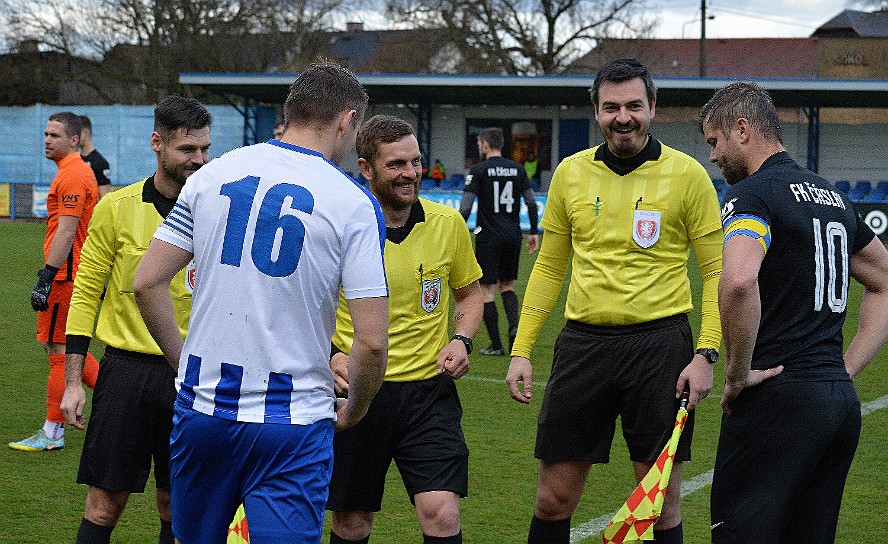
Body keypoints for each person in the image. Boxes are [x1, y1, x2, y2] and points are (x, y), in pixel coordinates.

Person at [133, 61, 389, 544]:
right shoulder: (353, 203)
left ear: (290, 112)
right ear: (345, 120)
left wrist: (184, 363)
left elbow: (147, 282)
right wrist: (355, 408)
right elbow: (372, 343)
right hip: (291, 424)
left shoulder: (213, 175)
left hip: (203, 411)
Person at [505, 58, 724, 544]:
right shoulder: (569, 173)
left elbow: (716, 272)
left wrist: (706, 352)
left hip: (660, 345)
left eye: (633, 106)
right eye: (611, 108)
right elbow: (548, 267)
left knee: (659, 502)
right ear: (597, 113)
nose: (622, 117)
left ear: (652, 109)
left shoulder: (688, 176)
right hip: (583, 345)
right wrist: (522, 349)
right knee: (552, 498)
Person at [702, 81, 888, 543]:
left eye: (715, 141)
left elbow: (740, 282)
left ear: (742, 130)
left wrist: (736, 375)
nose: (713, 156)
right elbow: (885, 280)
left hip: (778, 399)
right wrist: (842, 370)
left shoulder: (751, 195)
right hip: (837, 406)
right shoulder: (832, 196)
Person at [60, 96, 212, 544]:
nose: (199, 160)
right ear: (157, 143)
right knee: (105, 504)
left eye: (205, 149)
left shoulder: (219, 212)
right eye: (187, 150)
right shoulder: (116, 208)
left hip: (194, 374)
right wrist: (72, 382)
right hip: (126, 374)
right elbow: (86, 296)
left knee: (178, 504)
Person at [327, 115, 484, 544]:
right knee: (352, 523)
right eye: (396, 164)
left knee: (442, 514)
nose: (411, 173)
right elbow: (303, 308)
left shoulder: (447, 224)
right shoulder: (340, 227)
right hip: (357, 391)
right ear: (366, 168)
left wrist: (461, 339)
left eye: (415, 162)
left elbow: (470, 296)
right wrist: (331, 356)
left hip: (428, 394)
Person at [9, 112, 100, 452]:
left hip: (66, 276)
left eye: (55, 135)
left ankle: (52, 434)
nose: (47, 140)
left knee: (58, 350)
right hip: (68, 273)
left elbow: (66, 229)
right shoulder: (71, 172)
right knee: (65, 347)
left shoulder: (74, 175)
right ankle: (120, 399)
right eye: (45, 134)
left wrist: (47, 275)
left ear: (74, 140)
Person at [459, 127, 539, 356]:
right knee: (508, 286)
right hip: (513, 235)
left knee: (486, 291)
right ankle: (514, 328)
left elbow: (465, 206)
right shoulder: (518, 169)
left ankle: (496, 345)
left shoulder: (478, 170)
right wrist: (533, 231)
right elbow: (532, 203)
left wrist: (460, 228)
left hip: (488, 236)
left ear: (485, 144)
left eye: (479, 144)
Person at [79, 115, 113, 198]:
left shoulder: (100, 163)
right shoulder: (75, 160)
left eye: (75, 133)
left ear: (85, 132)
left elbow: (105, 198)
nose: (72, 138)